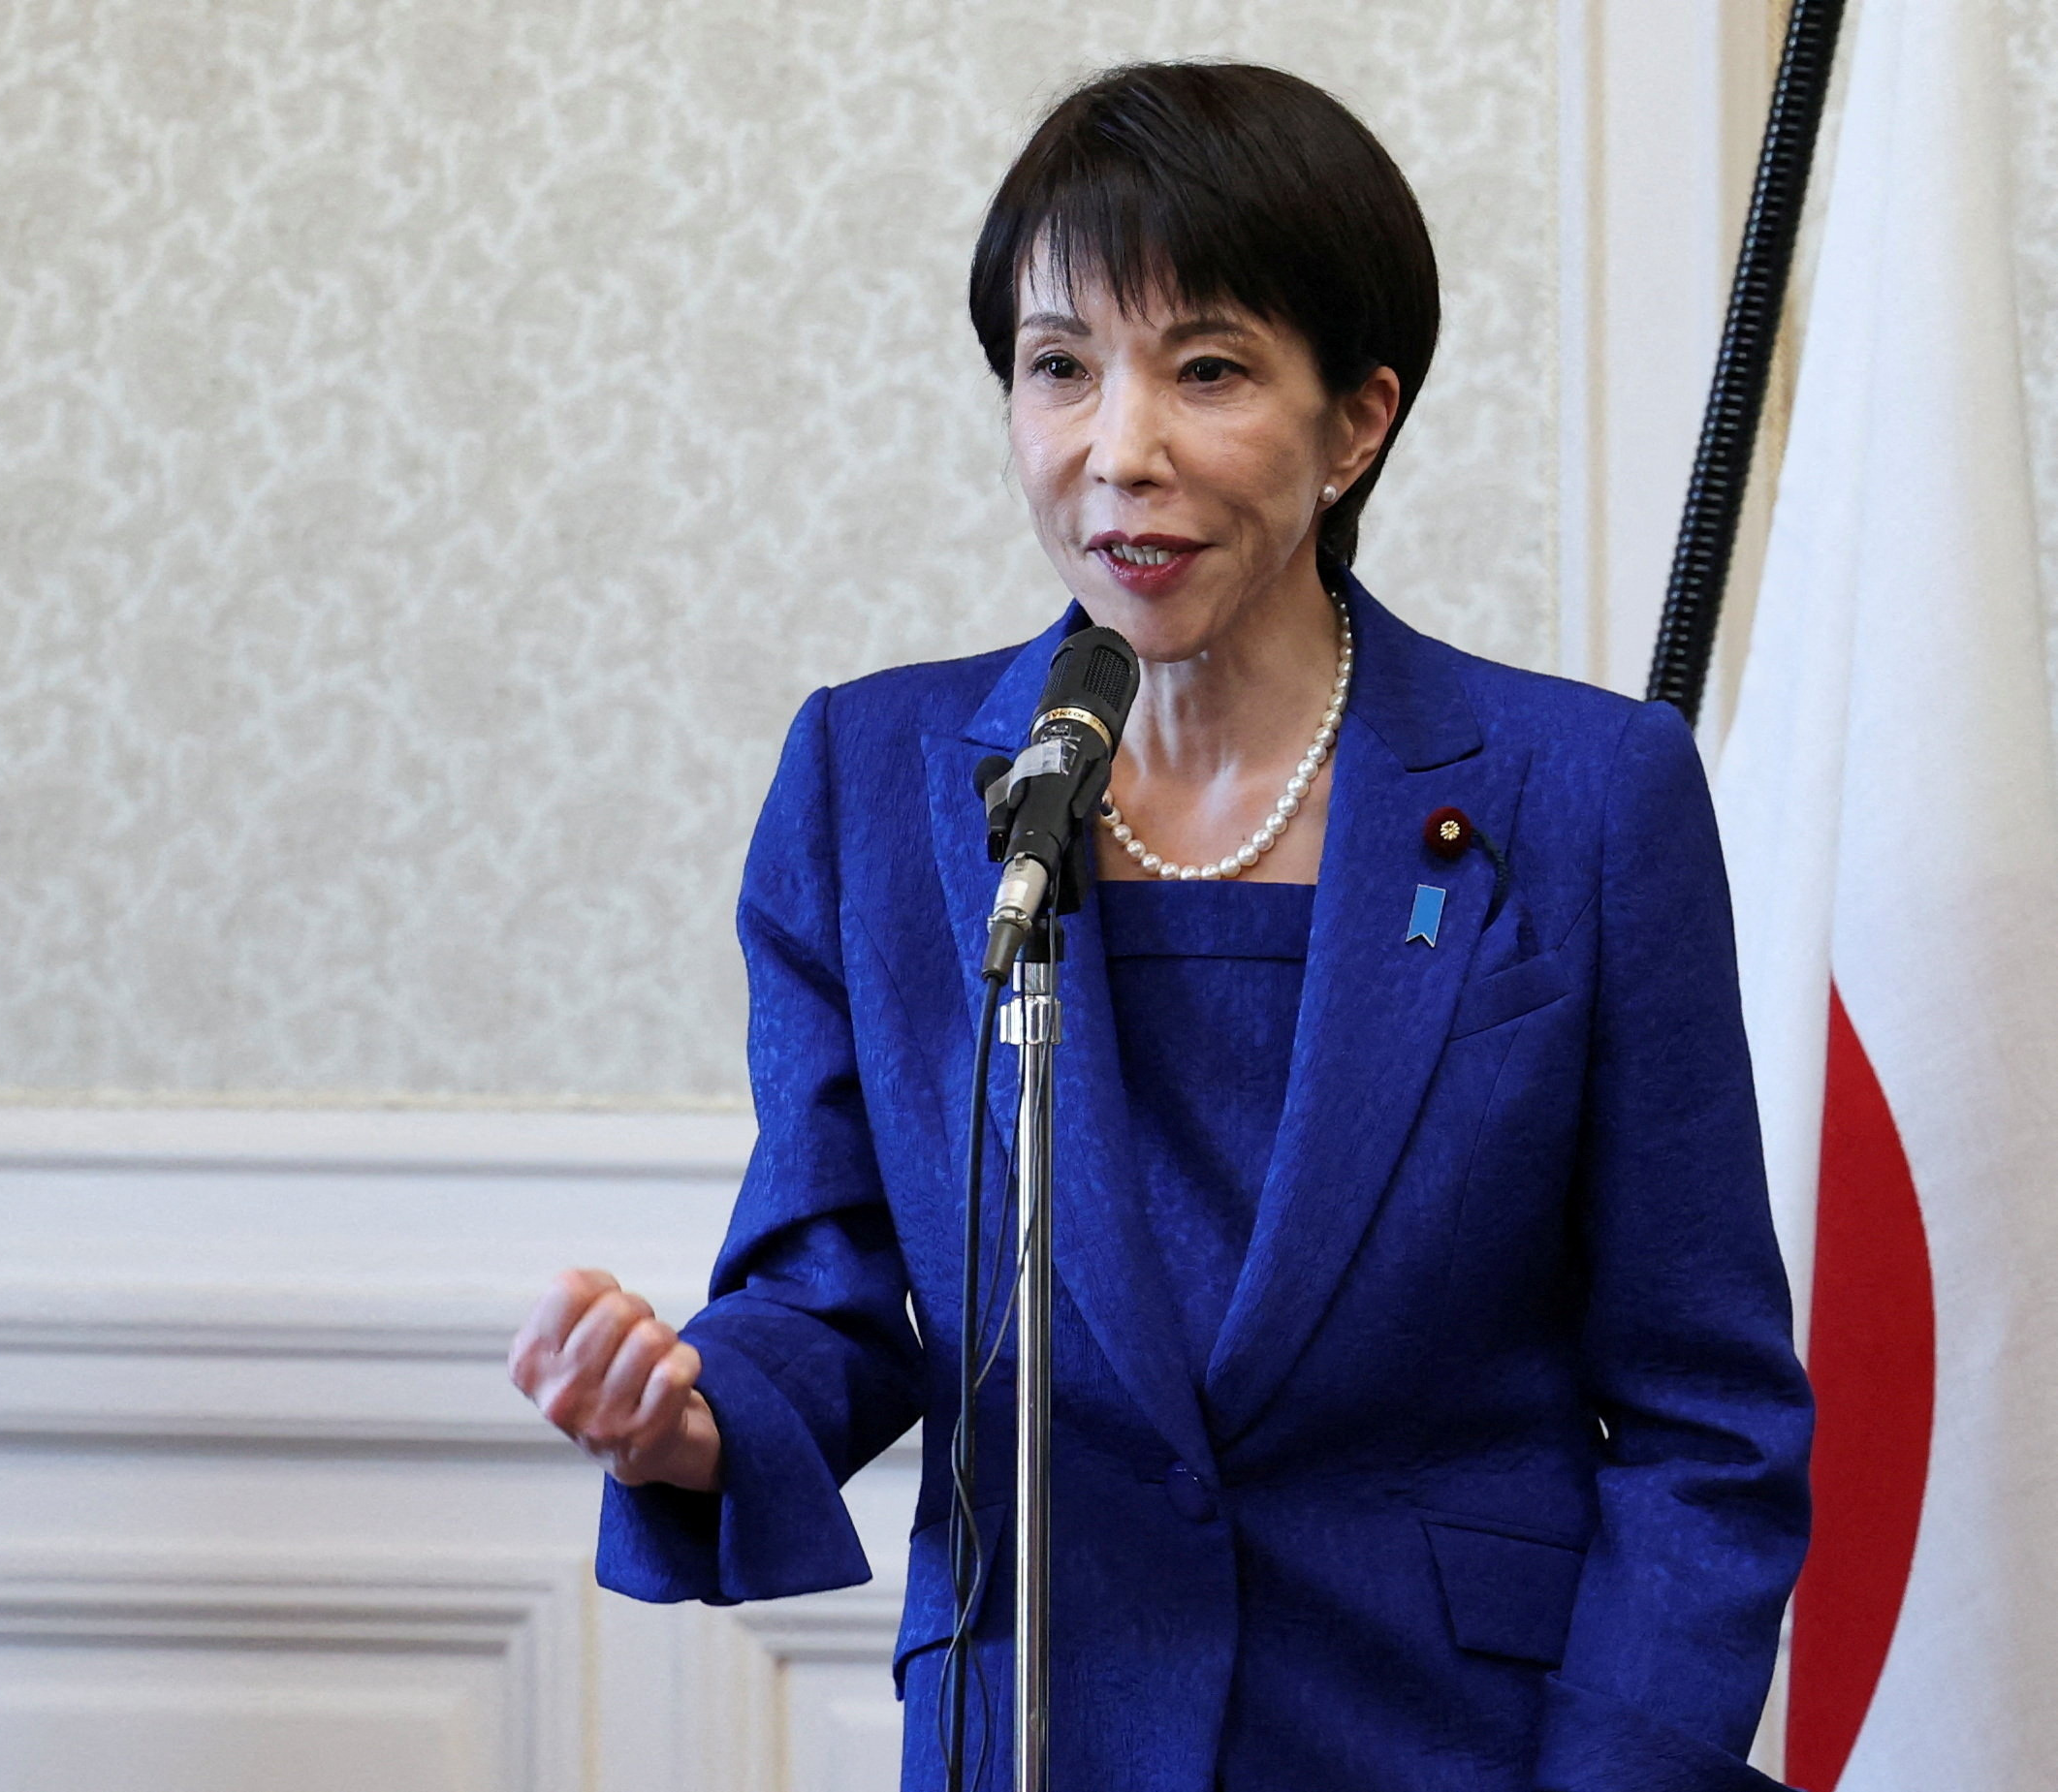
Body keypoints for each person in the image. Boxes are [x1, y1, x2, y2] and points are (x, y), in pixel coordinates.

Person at [507, 61, 1810, 1792]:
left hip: (1459, 1745)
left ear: (1355, 420)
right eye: (1058, 368)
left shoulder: (1581, 797)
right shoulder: (871, 782)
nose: (1119, 450)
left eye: (1205, 369)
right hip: (1042, 1729)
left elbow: (1702, 1417)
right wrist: (689, 1417)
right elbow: (826, 1290)